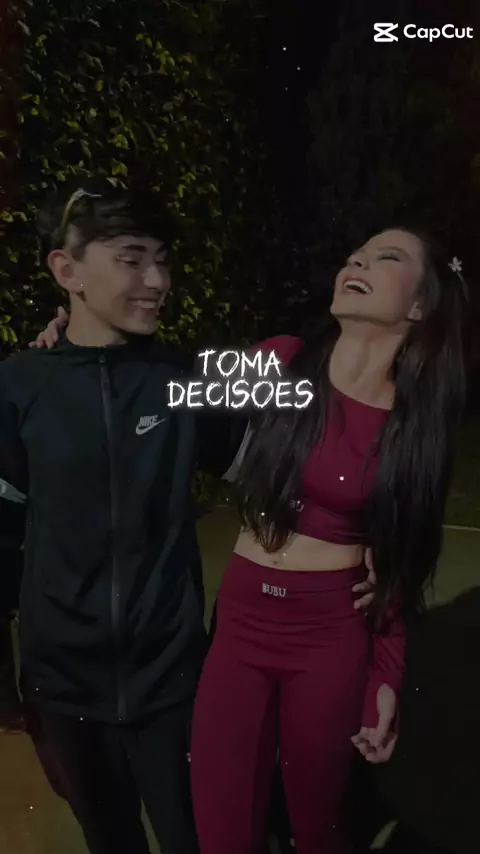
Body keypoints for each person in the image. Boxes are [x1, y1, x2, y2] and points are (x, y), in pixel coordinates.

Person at [188, 228, 469, 854]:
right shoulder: (282, 360)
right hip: (240, 624)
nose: (357, 261)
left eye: (385, 258)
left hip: (328, 636)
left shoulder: (414, 427)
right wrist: (75, 344)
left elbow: (397, 567)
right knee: (222, 822)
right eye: (355, 255)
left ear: (419, 305)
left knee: (317, 825)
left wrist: (386, 676)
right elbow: (173, 396)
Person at [0, 179, 251, 854]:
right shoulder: (19, 384)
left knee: (198, 838)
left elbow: (281, 464)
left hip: (173, 683)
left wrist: (351, 549)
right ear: (67, 270)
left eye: (162, 260)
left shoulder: (186, 380)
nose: (158, 280)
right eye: (132, 258)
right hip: (61, 687)